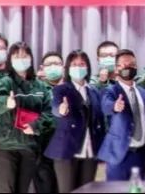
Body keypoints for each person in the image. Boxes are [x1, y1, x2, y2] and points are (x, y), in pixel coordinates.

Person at [0, 42, 53, 193]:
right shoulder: (5, 82)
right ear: (10, 60)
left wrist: (36, 125)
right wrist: (6, 102)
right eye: (16, 56)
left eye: (24, 56)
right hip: (6, 146)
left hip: (29, 145)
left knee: (23, 189)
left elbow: (49, 113)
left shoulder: (40, 86)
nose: (21, 59)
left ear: (31, 58)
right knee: (6, 189)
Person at [46, 50, 107, 193]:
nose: (78, 67)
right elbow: (55, 107)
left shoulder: (94, 91)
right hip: (66, 149)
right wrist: (61, 110)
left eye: (82, 64)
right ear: (68, 68)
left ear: (88, 67)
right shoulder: (61, 89)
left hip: (90, 149)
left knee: (87, 190)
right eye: (74, 64)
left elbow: (99, 120)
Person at [99, 49, 145, 181]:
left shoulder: (143, 92)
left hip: (141, 153)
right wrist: (115, 106)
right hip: (119, 154)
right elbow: (105, 106)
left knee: (139, 189)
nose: (128, 68)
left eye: (132, 65)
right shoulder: (111, 90)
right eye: (124, 65)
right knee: (116, 189)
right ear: (116, 69)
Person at [32, 53, 61, 194]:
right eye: (49, 64)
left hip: (67, 148)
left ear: (63, 67)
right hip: (43, 147)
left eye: (57, 64)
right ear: (42, 68)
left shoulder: (71, 87)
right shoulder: (37, 90)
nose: (53, 67)